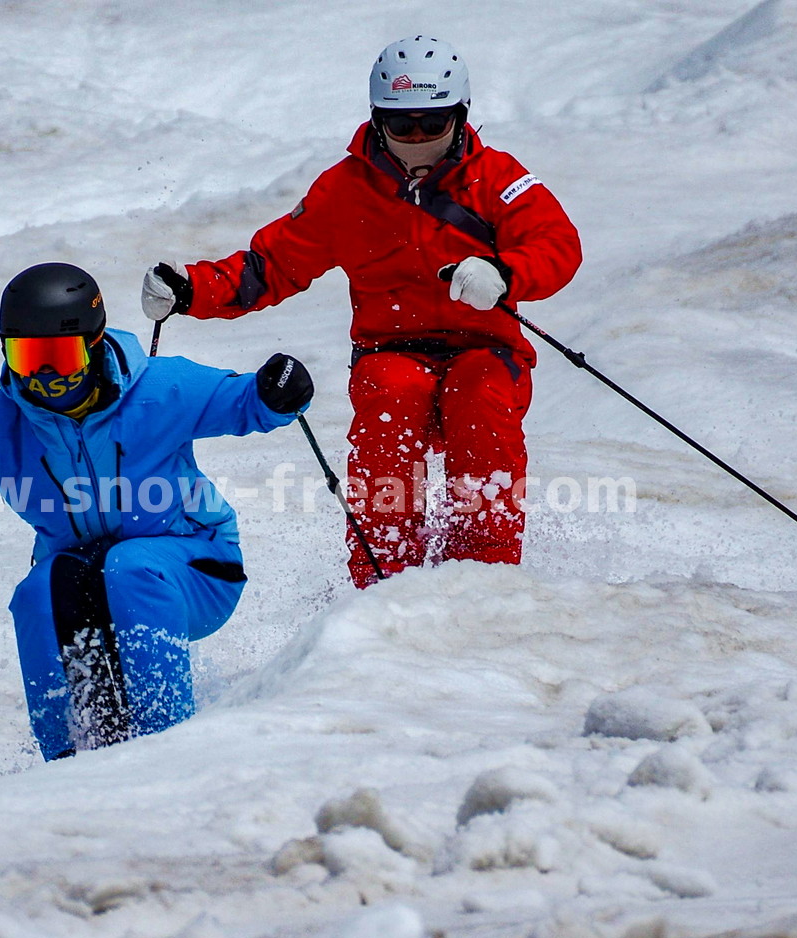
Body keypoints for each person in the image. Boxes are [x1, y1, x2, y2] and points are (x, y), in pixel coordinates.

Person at [141, 35, 582, 588]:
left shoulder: (498, 178)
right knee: (392, 399)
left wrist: (505, 274)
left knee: (481, 394)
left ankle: (484, 578)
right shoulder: (345, 191)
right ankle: (384, 577)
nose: (417, 136)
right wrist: (191, 290)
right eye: (402, 125)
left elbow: (557, 243)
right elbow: (270, 265)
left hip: (486, 348)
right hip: (391, 350)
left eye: (432, 122)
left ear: (460, 115)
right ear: (377, 120)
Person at [0, 262, 313, 761]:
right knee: (39, 590)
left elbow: (246, 401)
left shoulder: (162, 389)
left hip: (196, 569)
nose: (44, 375)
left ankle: (168, 751)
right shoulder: (1, 422)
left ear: (93, 343)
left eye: (58, 355)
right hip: (85, 583)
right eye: (27, 357)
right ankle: (69, 761)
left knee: (131, 567)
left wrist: (277, 391)